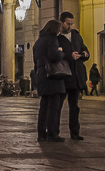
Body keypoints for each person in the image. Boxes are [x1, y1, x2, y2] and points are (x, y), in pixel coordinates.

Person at [33, 19, 70, 142]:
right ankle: (53, 133)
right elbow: (53, 55)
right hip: (52, 76)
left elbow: (35, 60)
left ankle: (41, 133)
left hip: (41, 74)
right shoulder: (52, 39)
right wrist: (61, 53)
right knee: (54, 106)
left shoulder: (38, 41)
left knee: (44, 106)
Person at [57, 11, 90, 141]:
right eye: (67, 24)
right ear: (61, 22)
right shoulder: (57, 37)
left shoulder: (76, 35)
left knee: (74, 106)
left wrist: (84, 54)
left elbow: (84, 48)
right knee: (58, 105)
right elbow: (54, 54)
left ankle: (75, 132)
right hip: (63, 76)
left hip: (76, 76)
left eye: (71, 23)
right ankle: (54, 132)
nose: (70, 26)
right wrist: (68, 56)